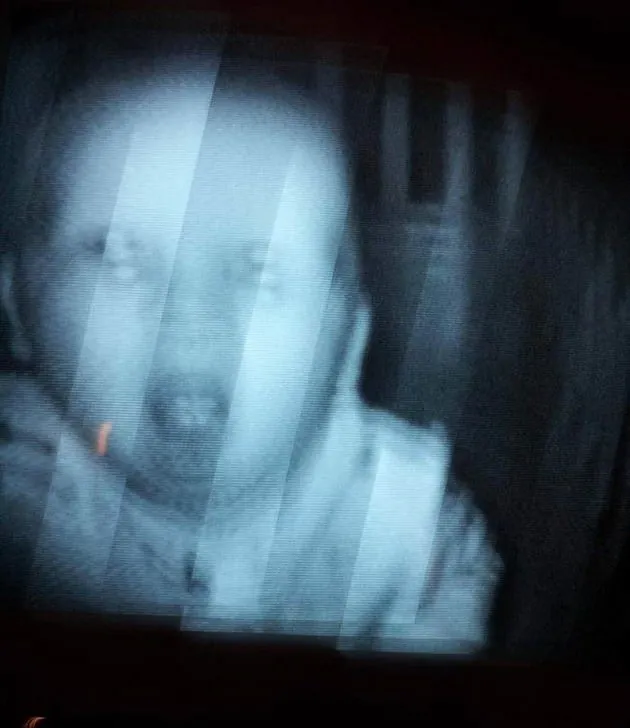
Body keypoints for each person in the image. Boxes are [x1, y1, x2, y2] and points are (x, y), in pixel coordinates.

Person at [0, 29, 502, 652]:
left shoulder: (407, 519)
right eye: (118, 258)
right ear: (17, 307)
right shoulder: (18, 493)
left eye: (260, 270)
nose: (190, 313)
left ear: (349, 338)